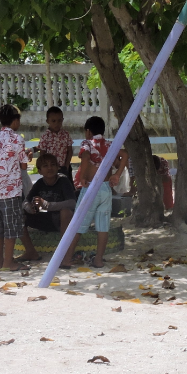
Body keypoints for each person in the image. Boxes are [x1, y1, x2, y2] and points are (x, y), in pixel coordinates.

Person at [75, 115, 127, 268]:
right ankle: (98, 259)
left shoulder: (87, 143)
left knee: (77, 223)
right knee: (103, 226)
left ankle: (65, 257)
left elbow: (85, 157)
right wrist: (117, 175)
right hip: (105, 188)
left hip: (91, 187)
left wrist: (82, 177)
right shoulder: (110, 145)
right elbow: (125, 155)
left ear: (88, 131)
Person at [0, 104, 28, 271]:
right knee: (11, 227)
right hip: (11, 190)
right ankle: (8, 262)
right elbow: (24, 165)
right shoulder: (17, 139)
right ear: (15, 120)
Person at [21, 151, 79, 266]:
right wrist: (30, 208)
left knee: (66, 211)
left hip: (61, 221)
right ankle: (31, 251)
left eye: (53, 164)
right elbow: (26, 201)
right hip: (45, 218)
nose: (50, 168)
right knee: (18, 215)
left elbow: (72, 202)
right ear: (39, 171)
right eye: (45, 166)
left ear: (58, 167)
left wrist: (48, 205)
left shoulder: (63, 181)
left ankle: (64, 254)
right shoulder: (39, 183)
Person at [37, 106, 74, 178]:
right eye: (53, 121)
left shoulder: (66, 134)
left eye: (59, 121)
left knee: (67, 187)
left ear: (62, 120)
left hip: (64, 167)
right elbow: (42, 154)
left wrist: (66, 166)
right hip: (50, 169)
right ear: (47, 121)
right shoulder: (45, 136)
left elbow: (70, 151)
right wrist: (44, 168)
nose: (57, 123)